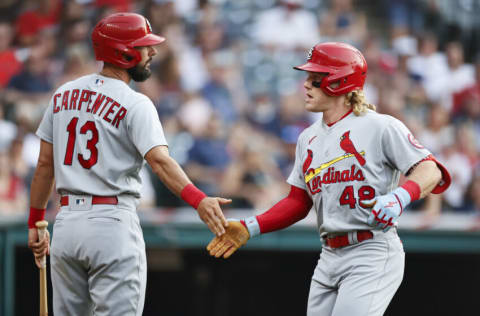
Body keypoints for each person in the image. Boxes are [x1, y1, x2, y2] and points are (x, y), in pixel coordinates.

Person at [207, 42, 451, 316]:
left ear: (340, 82)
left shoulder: (380, 126)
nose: (306, 85)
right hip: (329, 254)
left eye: (315, 78)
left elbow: (431, 170)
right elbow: (298, 202)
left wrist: (399, 197)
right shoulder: (307, 138)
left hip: (370, 249)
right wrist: (251, 226)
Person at [27, 12, 230, 316]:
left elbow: (45, 165)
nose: (152, 52)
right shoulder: (136, 102)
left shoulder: (63, 94)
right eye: (145, 46)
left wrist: (35, 221)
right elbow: (159, 160)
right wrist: (198, 199)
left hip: (66, 225)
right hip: (111, 223)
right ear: (124, 52)